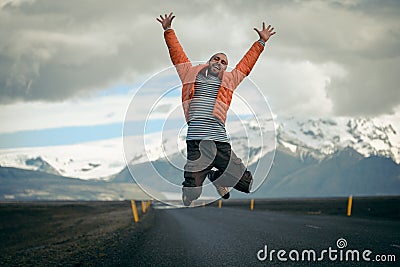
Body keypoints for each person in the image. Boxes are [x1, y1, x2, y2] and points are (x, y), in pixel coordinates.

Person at [157, 12, 276, 206]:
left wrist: (260, 43)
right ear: (209, 61)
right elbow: (177, 55)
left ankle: (217, 178)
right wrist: (168, 30)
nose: (219, 63)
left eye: (223, 62)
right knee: (191, 195)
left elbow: (245, 66)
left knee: (246, 183)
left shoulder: (230, 80)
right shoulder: (190, 73)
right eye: (216, 59)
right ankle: (194, 189)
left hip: (220, 142)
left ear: (225, 68)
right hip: (197, 142)